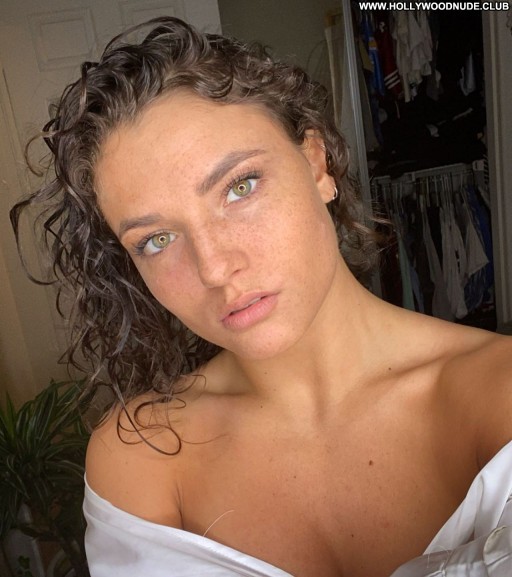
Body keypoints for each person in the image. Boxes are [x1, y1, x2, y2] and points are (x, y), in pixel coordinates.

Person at [10, 16, 512, 577]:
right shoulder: (140, 457)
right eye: (157, 239)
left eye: (239, 187)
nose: (215, 268)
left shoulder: (498, 395)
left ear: (317, 164)